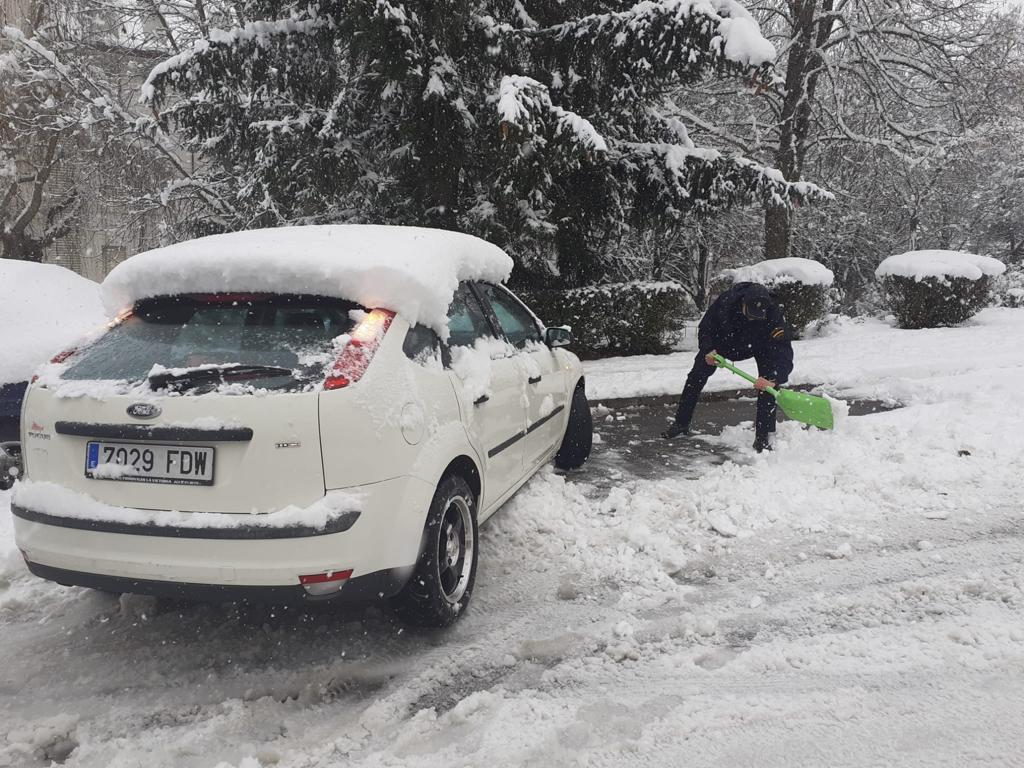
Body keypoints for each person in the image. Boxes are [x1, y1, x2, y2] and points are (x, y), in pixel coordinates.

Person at [662, 282, 794, 452]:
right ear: (743, 303)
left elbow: (783, 349)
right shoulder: (726, 302)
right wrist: (708, 349)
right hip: (723, 344)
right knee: (695, 377)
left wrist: (776, 377)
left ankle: (763, 438)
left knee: (768, 385)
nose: (752, 318)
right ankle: (681, 424)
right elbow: (706, 327)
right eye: (750, 314)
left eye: (757, 316)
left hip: (759, 346)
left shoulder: (773, 312)